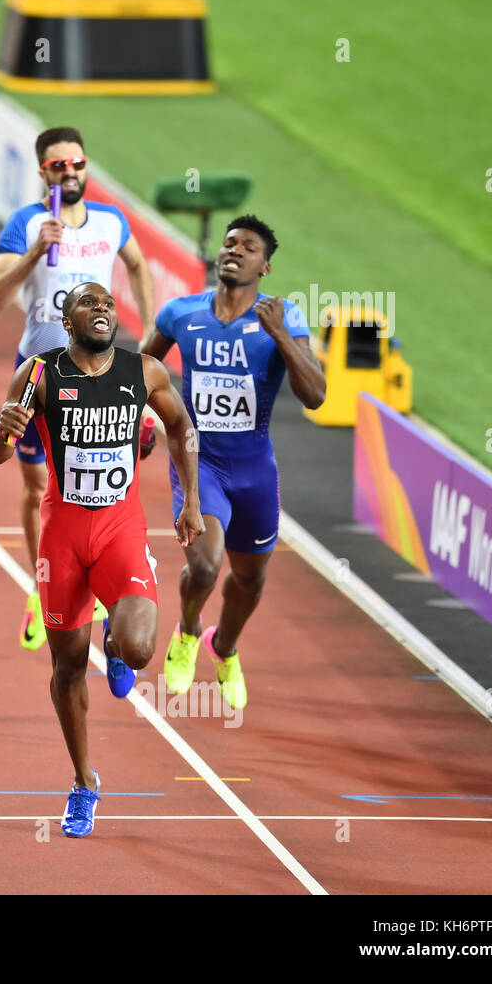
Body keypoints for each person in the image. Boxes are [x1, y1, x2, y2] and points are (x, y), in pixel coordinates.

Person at [0, 281, 203, 838]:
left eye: (107, 302)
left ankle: (117, 639)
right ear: (67, 319)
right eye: (87, 302)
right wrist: (0, 434)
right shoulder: (38, 373)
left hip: (119, 528)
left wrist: (191, 503)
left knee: (139, 646)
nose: (101, 308)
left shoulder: (144, 372)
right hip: (62, 534)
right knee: (66, 668)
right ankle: (84, 782)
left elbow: (181, 428)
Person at [138, 215, 326, 710]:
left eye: (248, 247)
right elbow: (141, 370)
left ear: (265, 266)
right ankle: (188, 630)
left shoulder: (286, 317)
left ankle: (225, 648)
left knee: (250, 579)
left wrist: (282, 335)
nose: (234, 251)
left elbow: (316, 397)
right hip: (199, 465)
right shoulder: (182, 312)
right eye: (228, 243)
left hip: (255, 471)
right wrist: (140, 418)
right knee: (204, 566)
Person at [0, 126, 155, 650]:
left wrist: (148, 336)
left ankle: (117, 604)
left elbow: (139, 266)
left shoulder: (111, 221)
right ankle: (44, 589)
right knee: (39, 489)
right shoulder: (27, 222)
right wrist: (36, 253)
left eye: (76, 164)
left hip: (101, 376)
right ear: (43, 173)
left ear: (86, 165)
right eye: (58, 167)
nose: (69, 173)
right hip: (41, 374)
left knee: (107, 490)